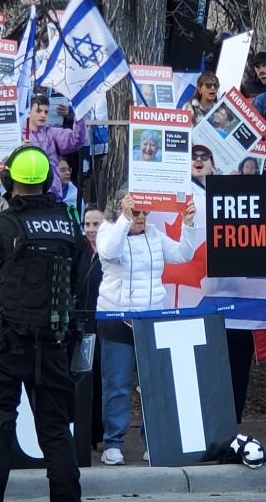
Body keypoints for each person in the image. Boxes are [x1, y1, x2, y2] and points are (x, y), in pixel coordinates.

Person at [0, 146, 90, 502]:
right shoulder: (68, 224)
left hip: (4, 348)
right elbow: (83, 276)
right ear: (47, 181)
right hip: (53, 345)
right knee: (57, 433)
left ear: (10, 179)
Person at [97, 190, 197, 465]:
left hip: (151, 319)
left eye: (145, 213)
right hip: (116, 320)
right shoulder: (108, 230)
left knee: (152, 385)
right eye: (136, 212)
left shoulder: (153, 234)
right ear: (120, 210)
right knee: (117, 385)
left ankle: (152, 439)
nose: (142, 218)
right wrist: (124, 221)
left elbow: (182, 254)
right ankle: (113, 443)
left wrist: (188, 224)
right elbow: (109, 252)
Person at [25, 95, 87, 200]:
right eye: (38, 111)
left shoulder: (51, 133)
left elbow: (76, 140)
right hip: (26, 196)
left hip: (52, 197)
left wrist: (78, 112)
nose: (43, 115)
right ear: (29, 112)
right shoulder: (17, 135)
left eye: (46, 112)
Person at [81, 204, 105, 450]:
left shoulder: (111, 253)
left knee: (100, 379)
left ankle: (98, 434)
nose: (90, 229)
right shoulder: (79, 252)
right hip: (81, 323)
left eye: (96, 224)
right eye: (87, 224)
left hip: (103, 324)